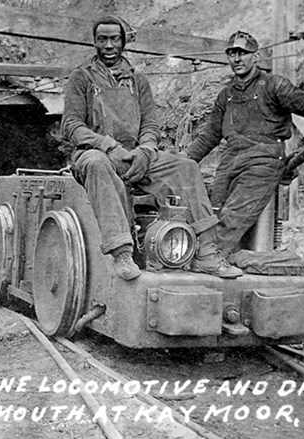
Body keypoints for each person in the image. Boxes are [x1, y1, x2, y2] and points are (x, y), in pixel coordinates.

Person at [62, 16, 242, 280]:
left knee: (185, 167)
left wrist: (145, 150)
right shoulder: (82, 77)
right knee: (96, 164)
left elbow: (151, 124)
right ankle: (122, 252)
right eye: (103, 39)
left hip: (135, 155)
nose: (109, 45)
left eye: (115, 39)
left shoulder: (138, 81)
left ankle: (206, 252)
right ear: (95, 42)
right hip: (97, 152)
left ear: (124, 42)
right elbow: (72, 125)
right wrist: (107, 146)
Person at [185, 31, 304, 259]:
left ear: (256, 57)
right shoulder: (226, 96)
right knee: (211, 217)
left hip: (263, 161)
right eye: (232, 54)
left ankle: (208, 263)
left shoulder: (273, 86)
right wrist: (182, 160)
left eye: (242, 53)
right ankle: (218, 262)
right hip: (229, 163)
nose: (237, 59)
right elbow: (209, 135)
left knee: (231, 219)